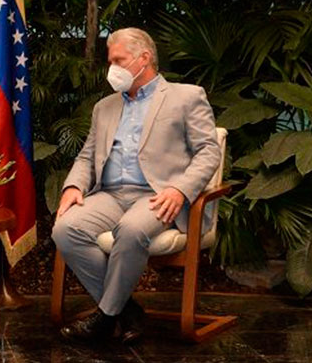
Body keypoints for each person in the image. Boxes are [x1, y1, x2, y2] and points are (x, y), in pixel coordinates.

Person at [52, 28, 221, 345]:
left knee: (130, 230)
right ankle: (124, 311)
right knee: (64, 229)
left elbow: (208, 152)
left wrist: (180, 190)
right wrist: (73, 187)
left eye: (119, 60)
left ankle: (104, 320)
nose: (111, 69)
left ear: (144, 58)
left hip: (158, 195)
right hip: (110, 194)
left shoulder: (186, 96)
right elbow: (88, 154)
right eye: (110, 61)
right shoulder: (105, 107)